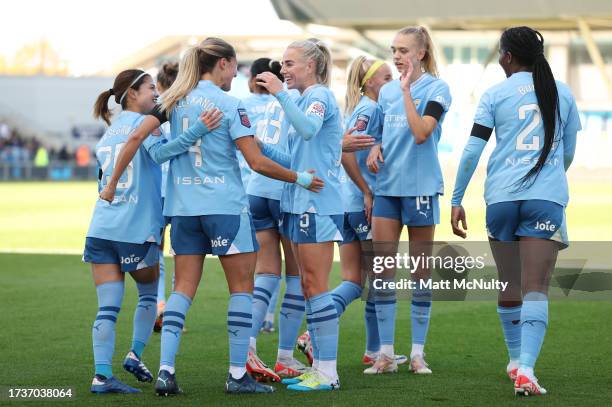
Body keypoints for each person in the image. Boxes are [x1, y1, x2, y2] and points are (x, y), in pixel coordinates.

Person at [99, 37, 323, 395]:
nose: (237, 74)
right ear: (222, 63)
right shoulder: (230, 104)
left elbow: (147, 145)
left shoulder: (172, 101)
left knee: (182, 291)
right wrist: (301, 177)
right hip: (225, 207)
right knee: (241, 290)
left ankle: (166, 372)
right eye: (235, 66)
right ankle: (237, 375)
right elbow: (256, 162)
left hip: (183, 211)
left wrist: (110, 184)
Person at [450, 26, 580, 396]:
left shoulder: (494, 94)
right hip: (545, 198)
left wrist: (457, 198)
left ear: (507, 56)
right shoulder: (562, 93)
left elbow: (473, 151)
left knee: (510, 283)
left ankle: (513, 361)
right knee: (536, 287)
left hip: (501, 198)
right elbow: (568, 151)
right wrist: (550, 180)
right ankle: (526, 368)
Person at [86, 68, 214, 394]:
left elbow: (105, 179)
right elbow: (161, 153)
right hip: (136, 229)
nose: (157, 95)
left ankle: (101, 376)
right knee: (149, 294)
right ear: (133, 93)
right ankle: (135, 354)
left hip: (101, 227)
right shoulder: (144, 127)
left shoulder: (109, 131)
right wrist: (197, 130)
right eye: (151, 89)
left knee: (108, 306)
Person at [256, 38, 344, 391]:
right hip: (297, 201)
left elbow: (309, 130)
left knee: (315, 286)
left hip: (317, 204)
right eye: (282, 63)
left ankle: (328, 372)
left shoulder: (319, 96)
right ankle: (320, 368)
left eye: (290, 63)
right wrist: (253, 142)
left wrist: (280, 93)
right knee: (307, 286)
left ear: (311, 65)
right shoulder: (305, 99)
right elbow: (292, 158)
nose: (283, 70)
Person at [366, 26, 451, 375]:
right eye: (394, 49)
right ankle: (385, 354)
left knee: (419, 272)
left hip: (419, 188)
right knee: (383, 272)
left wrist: (405, 93)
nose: (397, 56)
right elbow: (381, 134)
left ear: (421, 53)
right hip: (387, 188)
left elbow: (420, 133)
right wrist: (375, 147)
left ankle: (417, 353)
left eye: (403, 50)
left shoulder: (437, 88)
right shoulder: (385, 92)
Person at [242, 58, 306, 383]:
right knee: (297, 275)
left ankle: (249, 348)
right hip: (284, 189)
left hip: (257, 190)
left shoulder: (265, 104)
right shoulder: (297, 99)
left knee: (266, 272)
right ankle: (283, 357)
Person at [153, 61, 179, 333]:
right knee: (181, 253)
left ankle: (157, 304)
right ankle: (173, 309)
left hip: (155, 193)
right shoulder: (187, 108)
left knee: (155, 253)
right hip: (180, 191)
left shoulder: (154, 110)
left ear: (159, 85)